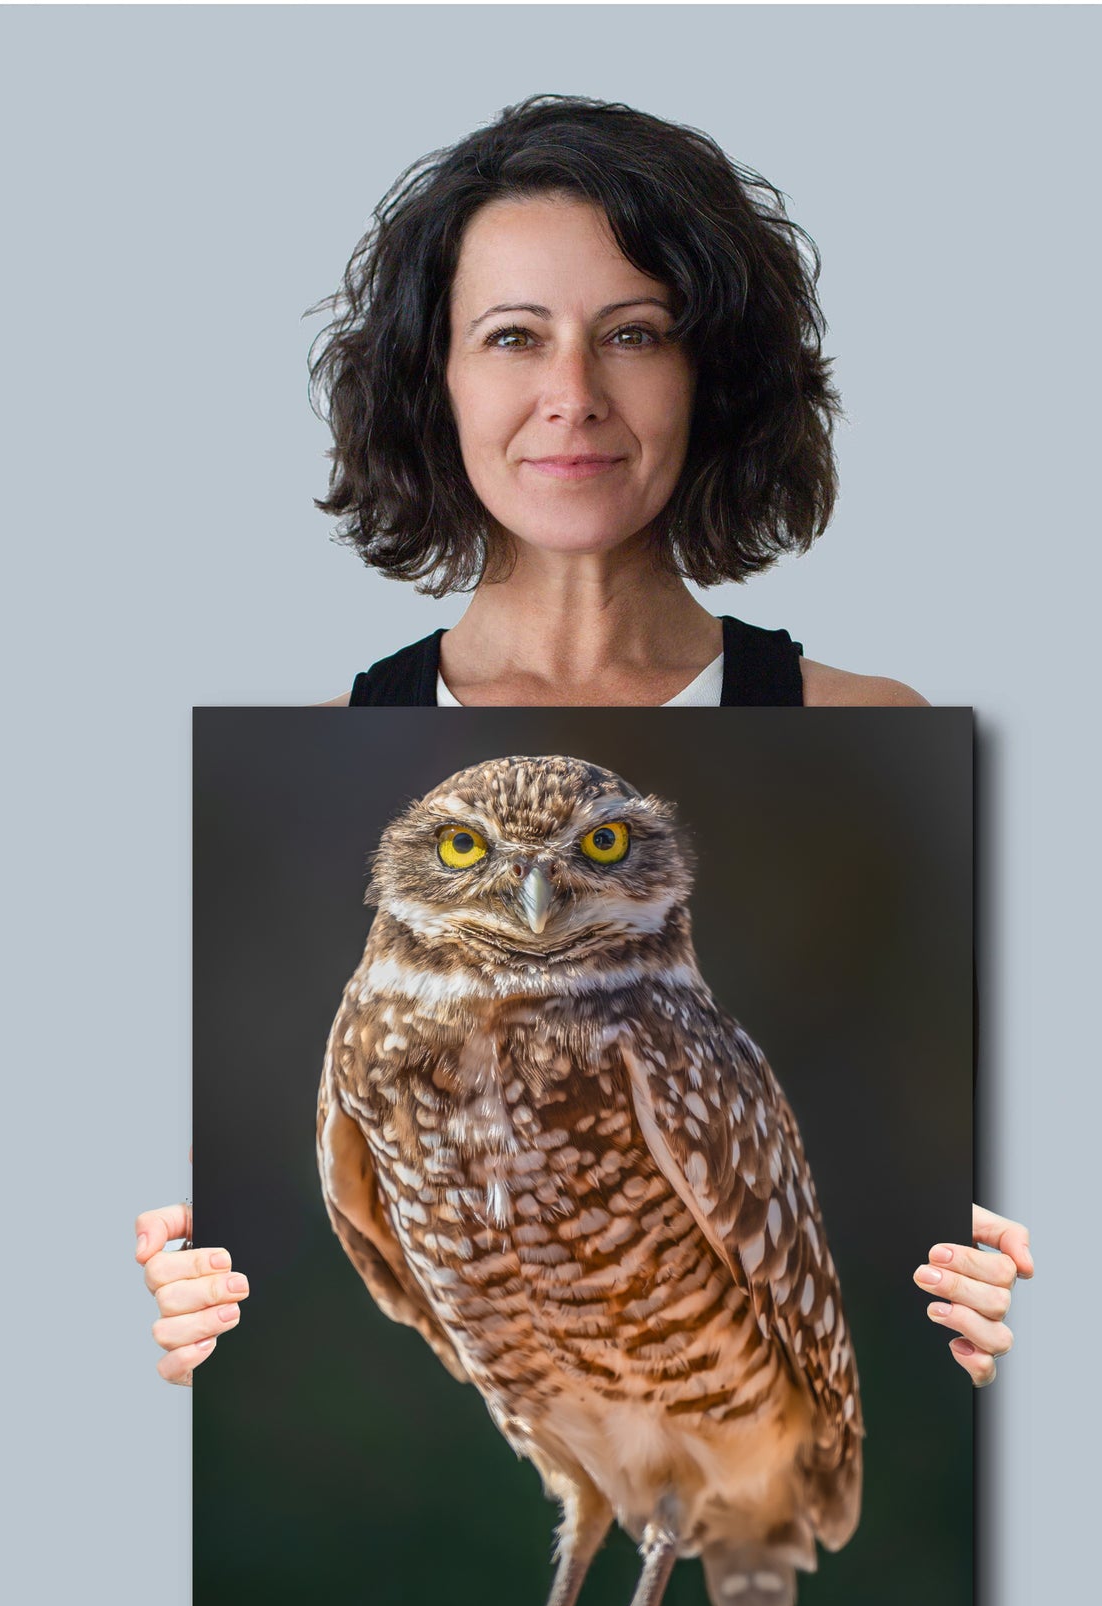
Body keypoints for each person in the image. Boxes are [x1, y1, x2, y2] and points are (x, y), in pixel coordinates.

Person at [139, 94, 1034, 1398]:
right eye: (513, 337)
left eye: (634, 334)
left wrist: (1008, 1307)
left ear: (713, 374)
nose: (572, 397)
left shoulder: (866, 725)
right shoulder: (318, 748)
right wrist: (169, 1331)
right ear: (435, 379)